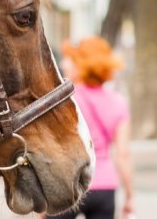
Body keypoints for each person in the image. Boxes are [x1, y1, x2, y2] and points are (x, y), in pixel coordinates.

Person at [47, 36, 133, 219]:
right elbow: (122, 155)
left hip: (66, 184)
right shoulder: (118, 102)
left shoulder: (65, 100)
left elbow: (52, 149)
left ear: (80, 64)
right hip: (104, 186)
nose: (64, 64)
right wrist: (129, 196)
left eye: (69, 59)